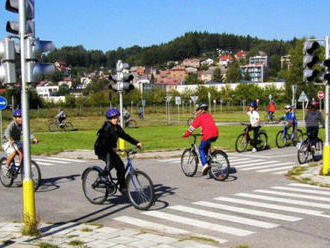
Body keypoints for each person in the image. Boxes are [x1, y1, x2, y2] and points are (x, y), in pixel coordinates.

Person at [100, 108, 142, 194]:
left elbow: (125, 136)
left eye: (117, 117)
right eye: (114, 118)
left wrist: (136, 142)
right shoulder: (106, 128)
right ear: (109, 119)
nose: (116, 119)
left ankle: (122, 187)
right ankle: (103, 177)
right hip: (103, 149)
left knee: (121, 167)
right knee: (111, 162)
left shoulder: (117, 127)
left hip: (112, 149)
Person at [183, 104, 219, 175]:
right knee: (206, 146)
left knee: (201, 149)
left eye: (198, 110)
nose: (197, 111)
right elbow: (208, 125)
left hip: (208, 135)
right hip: (215, 134)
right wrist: (203, 131)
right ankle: (211, 156)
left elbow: (192, 128)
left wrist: (186, 134)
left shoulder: (199, 117)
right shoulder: (209, 115)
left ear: (202, 110)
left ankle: (205, 165)